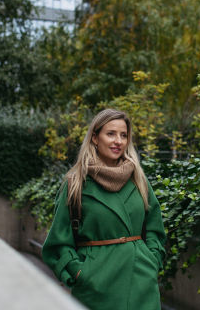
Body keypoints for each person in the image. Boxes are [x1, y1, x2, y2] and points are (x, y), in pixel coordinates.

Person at [42, 109, 166, 310]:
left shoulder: (139, 179)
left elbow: (154, 227)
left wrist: (151, 259)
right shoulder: (75, 183)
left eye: (123, 135)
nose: (118, 141)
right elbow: (58, 242)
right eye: (111, 134)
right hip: (96, 286)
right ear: (94, 138)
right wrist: (81, 272)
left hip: (142, 281)